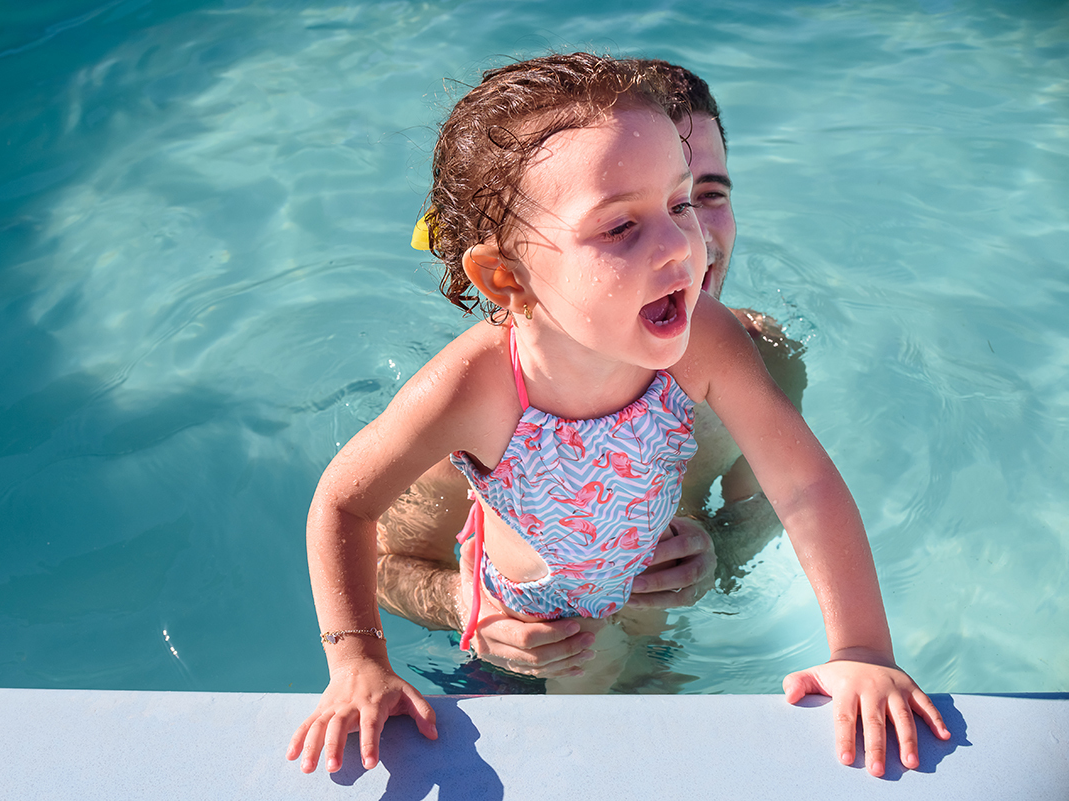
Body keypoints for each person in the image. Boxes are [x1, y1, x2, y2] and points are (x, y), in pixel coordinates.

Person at [286, 53, 948, 778]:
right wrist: (360, 659)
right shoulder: (473, 393)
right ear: (506, 275)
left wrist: (860, 651)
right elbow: (346, 506)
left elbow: (802, 488)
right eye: (621, 225)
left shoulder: (718, 346)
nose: (683, 247)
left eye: (684, 203)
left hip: (644, 626)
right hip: (518, 647)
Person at [375, 60, 804, 679]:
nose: (687, 240)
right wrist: (472, 607)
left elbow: (773, 506)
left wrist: (715, 553)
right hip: (526, 662)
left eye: (699, 196)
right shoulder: (490, 410)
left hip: (652, 651)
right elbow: (384, 560)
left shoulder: (764, 358)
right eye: (621, 222)